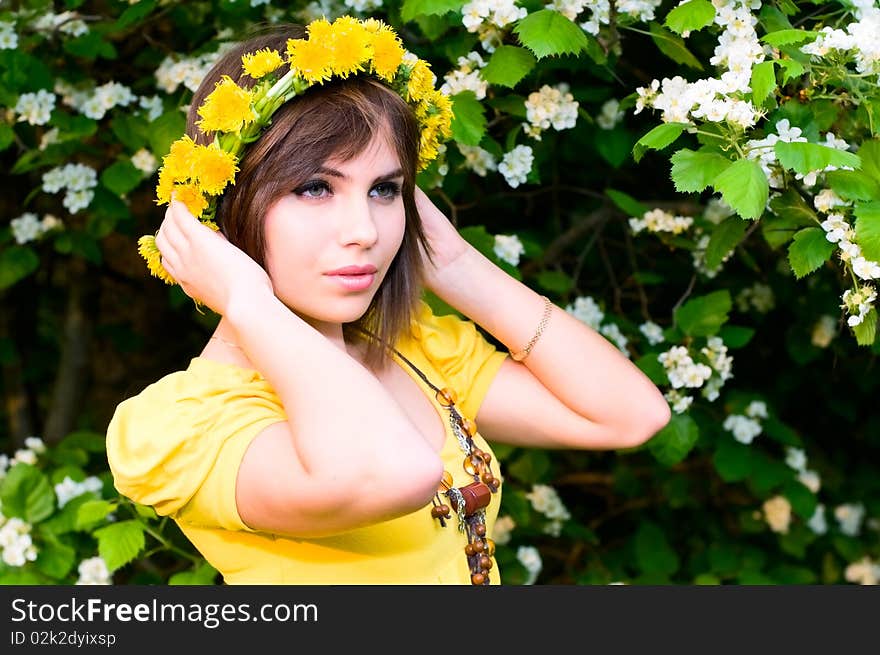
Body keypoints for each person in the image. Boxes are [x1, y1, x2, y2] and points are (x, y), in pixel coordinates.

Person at [105, 17, 671, 585]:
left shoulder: (413, 351)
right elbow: (393, 473)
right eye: (315, 188)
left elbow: (630, 416)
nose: (364, 229)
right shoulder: (188, 425)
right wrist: (248, 302)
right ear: (229, 208)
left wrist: (456, 266)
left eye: (384, 190)